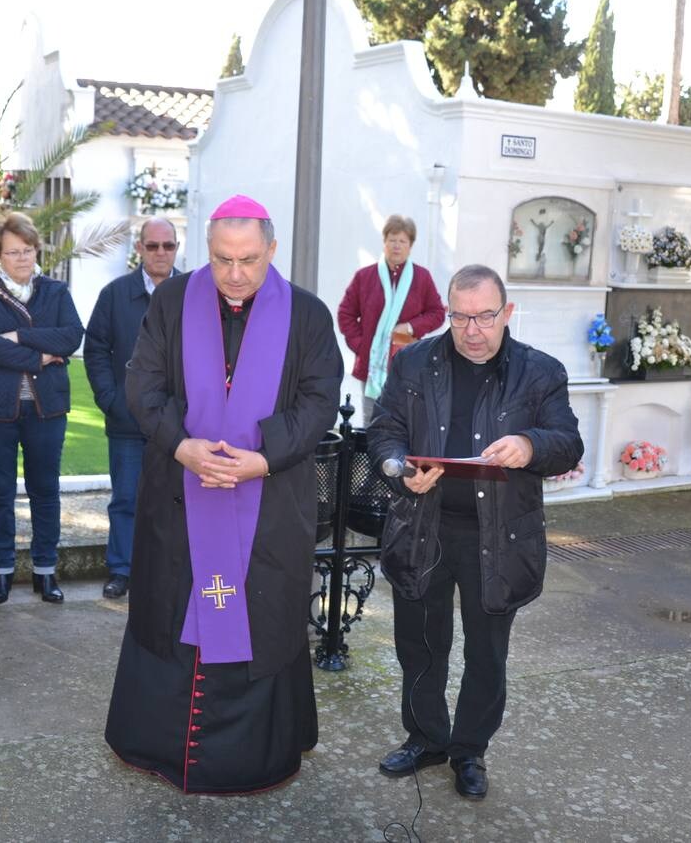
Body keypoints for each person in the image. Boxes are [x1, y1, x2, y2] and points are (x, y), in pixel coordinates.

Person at [104, 194, 343, 794]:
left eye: (249, 260)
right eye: (221, 260)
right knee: (171, 604)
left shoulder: (308, 316)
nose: (235, 275)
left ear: (272, 250)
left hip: (269, 498)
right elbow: (143, 383)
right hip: (181, 495)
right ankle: (158, 745)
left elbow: (318, 402)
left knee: (262, 611)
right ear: (205, 249)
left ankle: (252, 755)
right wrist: (180, 446)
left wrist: (263, 458)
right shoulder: (172, 299)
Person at [368, 263, 583, 800]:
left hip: (500, 539)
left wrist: (531, 445)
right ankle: (425, 738)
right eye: (460, 318)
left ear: (507, 313)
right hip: (424, 528)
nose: (473, 330)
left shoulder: (540, 372)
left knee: (487, 653)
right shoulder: (414, 363)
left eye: (485, 317)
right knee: (419, 644)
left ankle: (469, 751)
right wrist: (399, 469)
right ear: (448, 313)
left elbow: (568, 442)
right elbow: (384, 431)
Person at [0, 211, 83, 604]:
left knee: (45, 490)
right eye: (13, 252)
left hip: (46, 408)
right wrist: (38, 357)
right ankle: (1, 570)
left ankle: (45, 571)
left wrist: (17, 335)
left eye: (28, 250)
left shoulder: (57, 291)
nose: (22, 259)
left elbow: (70, 337)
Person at [83, 217, 180, 599]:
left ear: (177, 247)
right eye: (152, 246)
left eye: (167, 246)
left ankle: (167, 571)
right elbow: (95, 351)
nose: (160, 253)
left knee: (175, 500)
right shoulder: (115, 294)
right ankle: (121, 569)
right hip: (128, 420)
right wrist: (112, 400)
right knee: (126, 498)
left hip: (179, 423)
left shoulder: (195, 292)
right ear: (138, 249)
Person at [336, 214, 446, 422]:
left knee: (405, 421)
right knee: (372, 420)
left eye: (402, 241)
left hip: (408, 362)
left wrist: (412, 326)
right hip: (372, 365)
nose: (397, 246)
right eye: (392, 240)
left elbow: (437, 313)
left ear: (410, 245)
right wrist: (361, 345)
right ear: (384, 242)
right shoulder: (365, 277)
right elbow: (345, 314)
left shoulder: (422, 278)